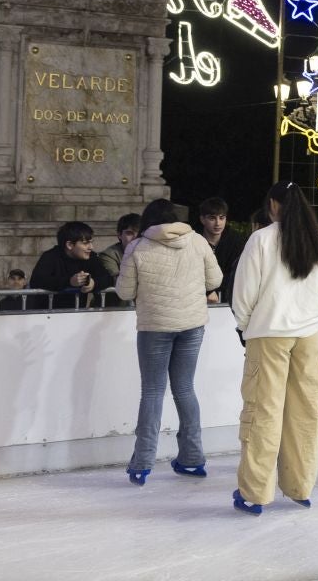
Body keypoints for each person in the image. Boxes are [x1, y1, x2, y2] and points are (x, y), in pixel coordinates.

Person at [230, 181, 318, 515]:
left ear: (274, 205)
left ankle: (255, 492)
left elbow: (244, 294)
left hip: (268, 333)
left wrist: (244, 326)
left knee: (264, 411)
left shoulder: (260, 240)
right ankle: (300, 485)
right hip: (309, 335)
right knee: (304, 411)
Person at [116, 198, 221, 485]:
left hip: (154, 326)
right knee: (185, 389)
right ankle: (192, 458)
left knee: (152, 391)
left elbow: (124, 291)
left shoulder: (137, 247)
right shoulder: (198, 241)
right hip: (192, 324)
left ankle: (142, 462)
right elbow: (216, 278)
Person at [28, 221, 114, 310]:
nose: (91, 247)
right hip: (47, 315)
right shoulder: (50, 256)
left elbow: (108, 278)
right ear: (69, 245)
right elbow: (37, 280)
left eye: (91, 242)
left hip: (77, 316)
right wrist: (69, 281)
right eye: (85, 243)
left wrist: (93, 283)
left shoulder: (91, 257)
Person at [198, 197, 245, 304]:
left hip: (228, 298)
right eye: (212, 218)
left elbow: (236, 272)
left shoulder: (236, 242)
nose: (218, 223)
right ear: (202, 219)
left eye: (221, 218)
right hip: (197, 297)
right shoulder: (194, 240)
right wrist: (208, 292)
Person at [97, 213, 141, 281]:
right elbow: (118, 280)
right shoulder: (109, 255)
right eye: (129, 233)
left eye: (140, 234)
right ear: (119, 235)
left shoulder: (152, 252)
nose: (135, 238)